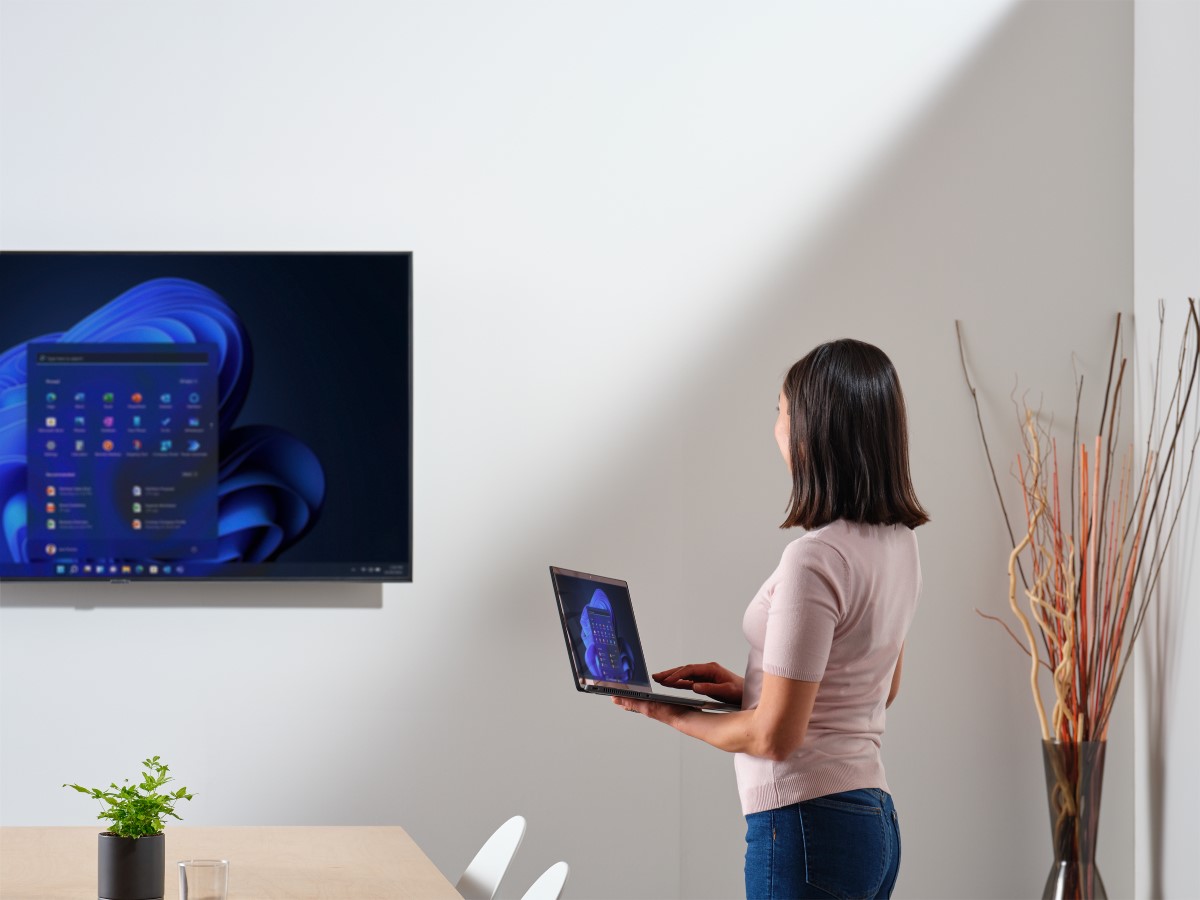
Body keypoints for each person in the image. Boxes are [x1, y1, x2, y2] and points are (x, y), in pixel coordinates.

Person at [613, 338, 928, 899]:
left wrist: (664, 711)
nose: (777, 427)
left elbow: (773, 738)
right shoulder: (899, 545)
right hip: (871, 821)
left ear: (813, 429)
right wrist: (751, 688)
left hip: (806, 826)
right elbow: (879, 687)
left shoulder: (815, 557)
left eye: (781, 411)